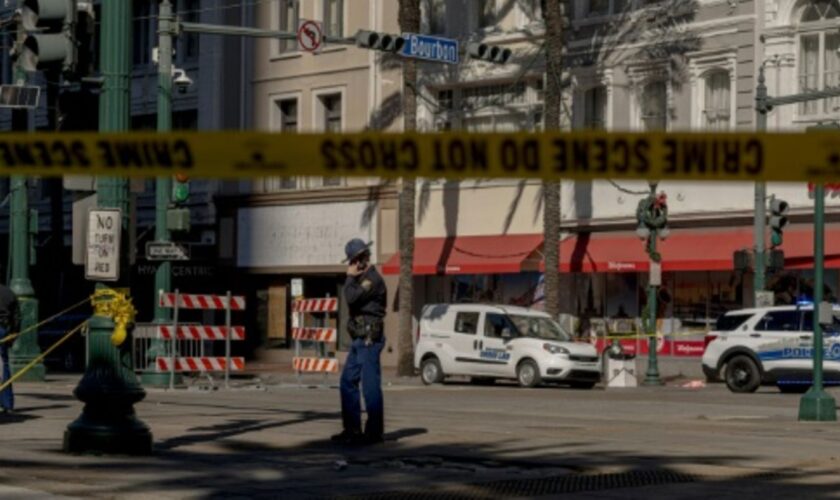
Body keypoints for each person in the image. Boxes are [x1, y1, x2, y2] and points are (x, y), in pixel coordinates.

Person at [331, 239, 387, 445]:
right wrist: (352, 278)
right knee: (347, 382)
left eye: (355, 260)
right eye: (351, 261)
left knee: (370, 386)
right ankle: (352, 429)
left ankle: (374, 433)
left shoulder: (371, 280)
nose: (352, 265)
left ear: (364, 258)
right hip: (358, 339)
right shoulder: (360, 278)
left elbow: (351, 298)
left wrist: (348, 278)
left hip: (369, 339)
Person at [0, 283, 20, 413]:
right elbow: (17, 316)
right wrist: (14, 333)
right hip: (3, 329)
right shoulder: (9, 292)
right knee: (4, 365)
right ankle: (7, 404)